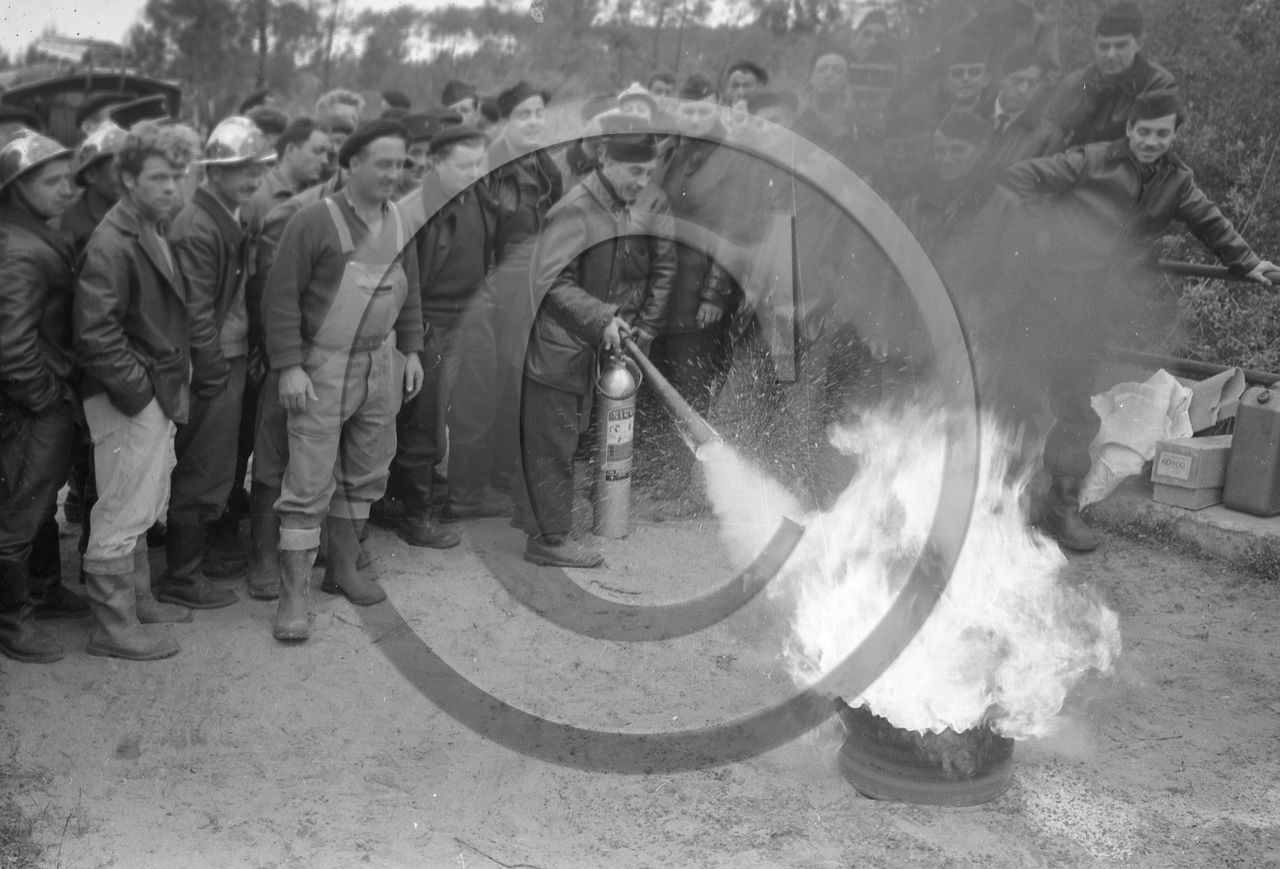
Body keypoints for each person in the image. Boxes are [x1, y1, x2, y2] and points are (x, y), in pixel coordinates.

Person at [998, 90, 1278, 551]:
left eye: (1161, 133)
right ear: (1129, 130)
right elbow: (1025, 179)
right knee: (1015, 390)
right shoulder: (1092, 160)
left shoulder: (1177, 181)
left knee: (1073, 406)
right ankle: (994, 497)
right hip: (1043, 294)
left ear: (1172, 135)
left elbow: (1209, 222)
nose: (1150, 140)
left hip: (1094, 307)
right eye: (1143, 131)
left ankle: (1060, 506)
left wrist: (1247, 262)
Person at [262, 119, 425, 640]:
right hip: (323, 367)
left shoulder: (400, 221)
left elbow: (411, 289)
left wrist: (413, 351)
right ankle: (292, 596)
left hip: (383, 361)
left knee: (367, 470)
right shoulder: (313, 221)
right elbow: (280, 298)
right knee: (308, 482)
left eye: (399, 165)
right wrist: (288, 366)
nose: (392, 175)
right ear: (351, 165)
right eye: (382, 164)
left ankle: (344, 568)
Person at [74, 120, 212, 661]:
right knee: (121, 508)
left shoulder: (147, 225)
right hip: (129, 395)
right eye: (157, 177)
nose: (171, 188)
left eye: (177, 177)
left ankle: (139, 599)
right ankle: (112, 628)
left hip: (153, 388)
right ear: (127, 177)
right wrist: (139, 395)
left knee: (141, 499)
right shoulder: (113, 241)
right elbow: (94, 334)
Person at [517, 125, 674, 567]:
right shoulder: (578, 208)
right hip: (554, 347)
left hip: (575, 344)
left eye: (649, 174)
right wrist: (602, 318)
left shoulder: (612, 204)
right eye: (635, 172)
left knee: (557, 438)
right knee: (554, 443)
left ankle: (534, 521)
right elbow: (550, 281)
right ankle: (549, 541)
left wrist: (607, 320)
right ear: (607, 161)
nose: (643, 183)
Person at [156, 117, 275, 611]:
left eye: (257, 167)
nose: (251, 177)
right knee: (204, 467)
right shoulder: (199, 225)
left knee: (213, 465)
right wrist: (210, 372)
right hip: (212, 361)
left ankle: (187, 566)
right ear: (213, 172)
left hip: (226, 356)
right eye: (239, 167)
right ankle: (182, 576)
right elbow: (196, 313)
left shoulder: (225, 214)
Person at [648, 74, 769, 516]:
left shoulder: (734, 160)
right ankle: (675, 473)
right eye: (688, 109)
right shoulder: (673, 150)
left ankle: (698, 490)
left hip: (702, 291)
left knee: (695, 390)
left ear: (719, 108)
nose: (695, 117)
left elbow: (736, 231)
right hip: (665, 288)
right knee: (670, 384)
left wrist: (716, 293)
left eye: (704, 110)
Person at [0, 132, 86, 663]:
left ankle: (46, 589)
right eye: (50, 181)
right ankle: (13, 622)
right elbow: (11, 347)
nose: (64, 189)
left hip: (44, 394)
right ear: (16, 188)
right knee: (19, 512)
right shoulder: (21, 250)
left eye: (65, 178)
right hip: (34, 403)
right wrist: (47, 399)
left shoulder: (31, 235)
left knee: (40, 498)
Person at [391, 123, 496, 542]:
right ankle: (415, 517)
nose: (473, 171)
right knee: (425, 424)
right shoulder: (413, 211)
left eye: (478, 162)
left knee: (477, 409)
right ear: (435, 163)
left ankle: (461, 497)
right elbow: (406, 285)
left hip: (474, 321)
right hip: (434, 327)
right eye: (463, 164)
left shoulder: (478, 197)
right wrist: (415, 341)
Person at [486, 81, 564, 498]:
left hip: (534, 287)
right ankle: (496, 474)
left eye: (539, 113)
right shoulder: (494, 169)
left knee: (520, 378)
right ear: (503, 123)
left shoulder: (542, 164)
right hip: (503, 292)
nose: (534, 121)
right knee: (501, 382)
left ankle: (507, 468)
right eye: (524, 115)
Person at [1044, 1, 1175, 149]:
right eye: (1104, 46)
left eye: (1121, 46)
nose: (1110, 55)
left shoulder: (1158, 85)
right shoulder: (1075, 83)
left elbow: (1149, 149)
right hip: (1072, 166)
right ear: (1094, 45)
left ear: (1138, 44)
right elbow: (1047, 129)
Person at [979, 45, 1063, 177]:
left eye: (1032, 83)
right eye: (1017, 81)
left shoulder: (1046, 135)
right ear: (1001, 79)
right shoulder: (976, 112)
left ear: (1040, 85)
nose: (1023, 91)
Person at [245, 117, 330, 229]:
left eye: (327, 153)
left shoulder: (322, 195)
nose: (325, 160)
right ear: (291, 150)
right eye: (318, 151)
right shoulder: (254, 196)